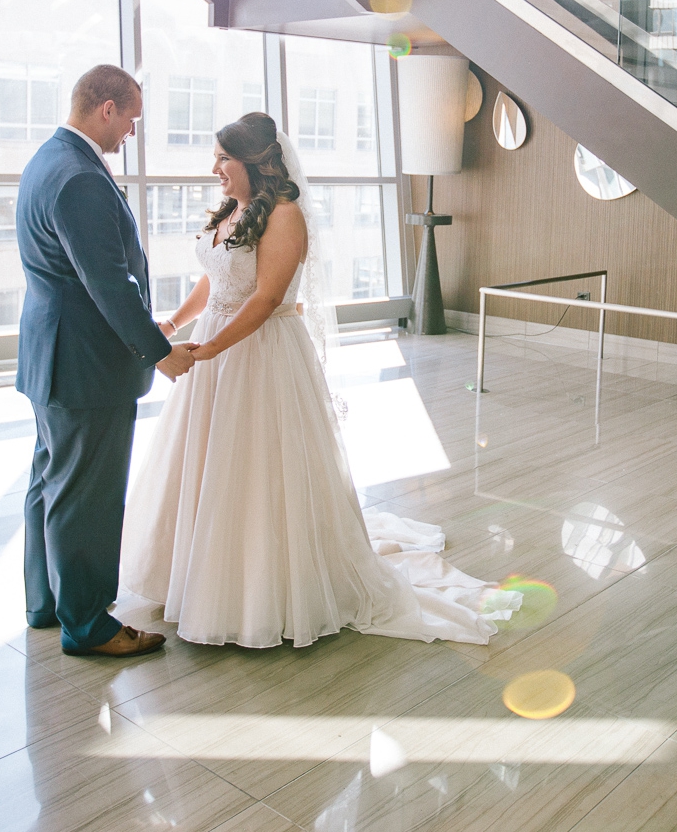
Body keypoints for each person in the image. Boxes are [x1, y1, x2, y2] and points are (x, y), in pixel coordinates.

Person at [118, 112, 517, 648]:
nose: (214, 168)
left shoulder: (284, 216)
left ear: (253, 161)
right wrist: (171, 324)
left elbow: (265, 299)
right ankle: (191, 574)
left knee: (256, 466)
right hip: (212, 351)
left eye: (222, 159)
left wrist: (209, 348)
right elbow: (214, 279)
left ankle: (260, 590)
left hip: (259, 354)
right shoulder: (234, 209)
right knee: (204, 461)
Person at [17, 64, 196, 658]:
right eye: (132, 121)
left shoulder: (47, 160)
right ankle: (90, 625)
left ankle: (47, 604)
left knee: (52, 485)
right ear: (107, 110)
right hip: (87, 366)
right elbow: (109, 284)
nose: (131, 134)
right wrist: (159, 352)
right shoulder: (80, 178)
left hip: (54, 358)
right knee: (88, 500)